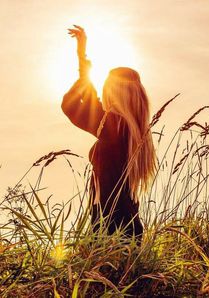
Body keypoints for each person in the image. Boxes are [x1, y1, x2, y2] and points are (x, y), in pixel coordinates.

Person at [61, 25, 156, 242]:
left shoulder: (114, 125)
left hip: (110, 228)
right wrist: (82, 58)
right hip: (127, 226)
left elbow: (71, 104)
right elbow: (92, 105)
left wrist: (83, 61)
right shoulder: (133, 131)